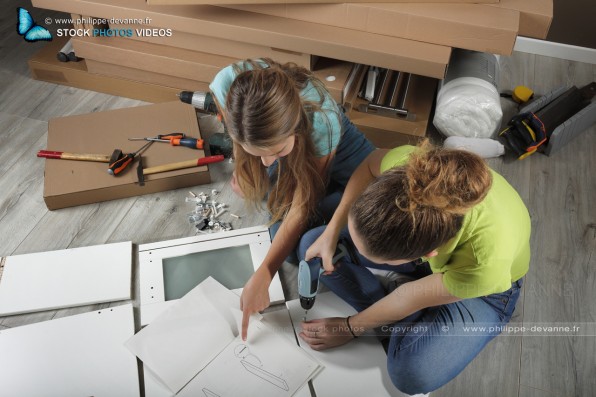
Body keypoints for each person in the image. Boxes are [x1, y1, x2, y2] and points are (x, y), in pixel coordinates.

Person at [298, 143, 530, 395]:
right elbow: (368, 164)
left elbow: (407, 297)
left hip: (484, 291)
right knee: (313, 247)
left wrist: (351, 327)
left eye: (383, 260)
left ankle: (395, 321)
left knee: (411, 374)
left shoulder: (485, 261)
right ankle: (399, 322)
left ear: (426, 255)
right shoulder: (408, 167)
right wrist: (332, 232)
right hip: (432, 252)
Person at [209, 58, 375, 340]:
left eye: (274, 151)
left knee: (302, 244)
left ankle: (379, 300)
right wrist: (246, 167)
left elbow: (304, 200)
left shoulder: (321, 120)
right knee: (282, 240)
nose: (264, 162)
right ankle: (333, 232)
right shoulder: (227, 82)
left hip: (348, 167)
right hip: (299, 157)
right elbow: (245, 142)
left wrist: (265, 272)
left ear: (294, 130)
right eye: (257, 151)